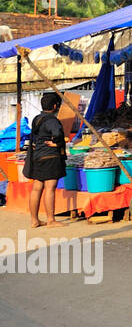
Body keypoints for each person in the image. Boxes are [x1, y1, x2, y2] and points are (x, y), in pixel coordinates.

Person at [23, 92, 67, 228]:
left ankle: (34, 220)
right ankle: (51, 220)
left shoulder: (37, 118)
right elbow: (58, 134)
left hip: (37, 157)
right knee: (50, 188)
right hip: (50, 157)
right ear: (55, 106)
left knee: (37, 188)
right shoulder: (52, 120)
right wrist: (57, 143)